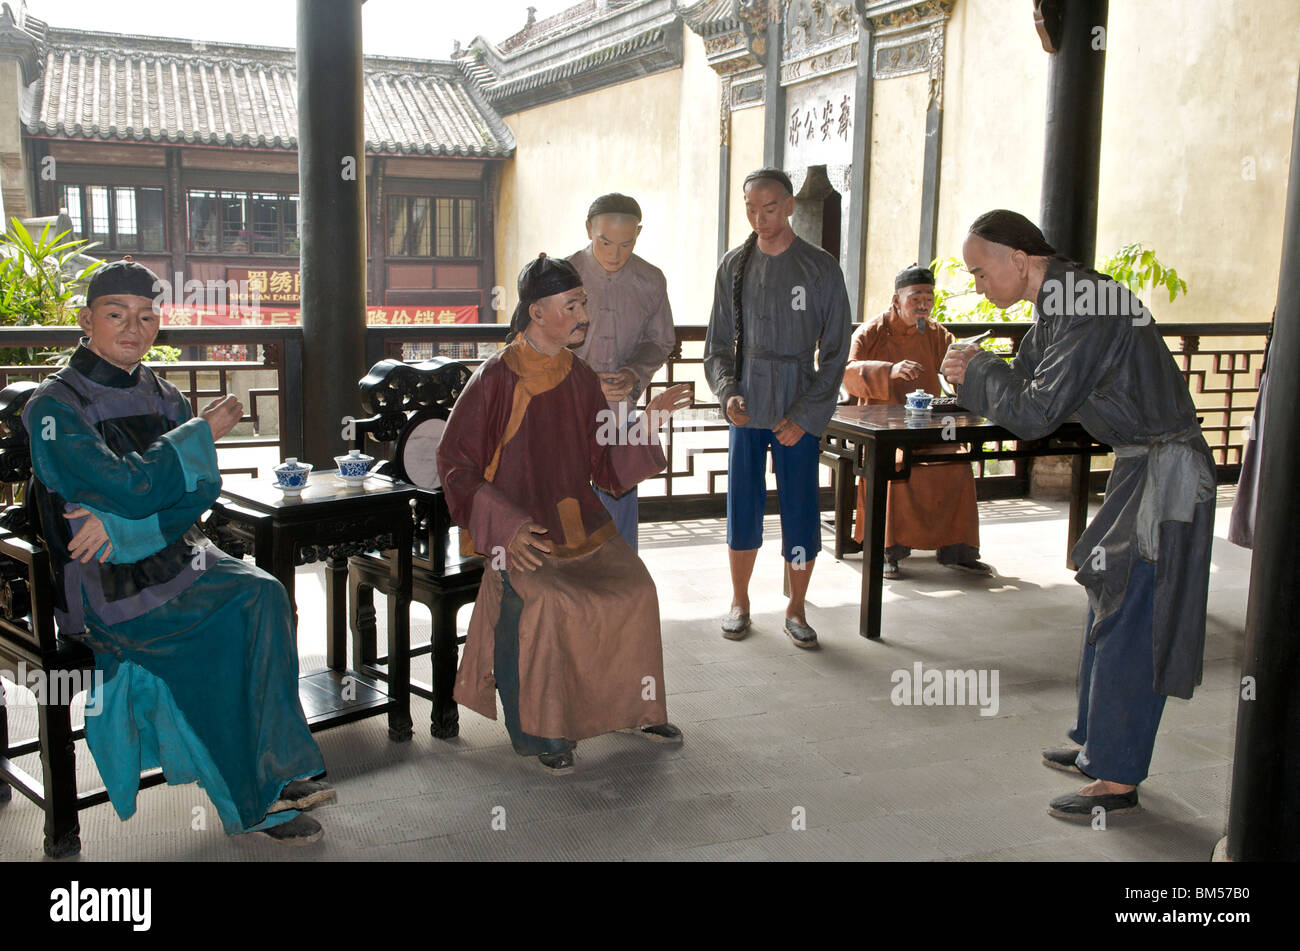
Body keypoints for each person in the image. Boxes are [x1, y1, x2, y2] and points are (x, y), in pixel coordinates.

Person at [22, 259, 333, 844]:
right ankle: (253, 797)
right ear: (87, 321)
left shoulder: (160, 393)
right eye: (116, 315)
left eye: (146, 317)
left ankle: (280, 764)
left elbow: (200, 493)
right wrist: (196, 437)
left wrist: (128, 526)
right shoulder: (54, 407)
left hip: (172, 556)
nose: (132, 329)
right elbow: (130, 486)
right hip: (103, 585)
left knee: (264, 594)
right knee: (217, 633)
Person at [941, 211, 1215, 820]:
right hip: (1141, 464)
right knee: (1105, 594)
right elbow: (1030, 381)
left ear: (1018, 257)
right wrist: (976, 370)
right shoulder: (1062, 303)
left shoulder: (1088, 304)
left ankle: (1117, 776)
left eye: (980, 272)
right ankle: (1097, 743)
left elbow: (1035, 413)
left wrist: (977, 372)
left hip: (1166, 473)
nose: (979, 287)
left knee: (1132, 611)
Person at [437, 254, 693, 774]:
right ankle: (542, 729)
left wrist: (650, 420)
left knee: (635, 590)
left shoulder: (578, 376)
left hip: (579, 524)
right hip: (521, 532)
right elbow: (456, 467)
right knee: (551, 601)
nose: (583, 315)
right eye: (572, 305)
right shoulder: (495, 378)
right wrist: (506, 527)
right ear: (536, 312)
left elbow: (605, 466)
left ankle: (634, 708)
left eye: (583, 304)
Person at [703, 167, 851, 649]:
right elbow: (717, 344)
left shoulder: (820, 267)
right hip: (748, 404)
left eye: (769, 208)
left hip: (796, 401)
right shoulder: (733, 264)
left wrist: (806, 416)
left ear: (788, 205)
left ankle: (796, 606)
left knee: (801, 506)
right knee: (741, 504)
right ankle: (739, 601)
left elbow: (835, 351)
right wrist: (728, 392)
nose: (759, 218)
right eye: (750, 208)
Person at [843, 265, 990, 579]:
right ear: (897, 299)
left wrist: (969, 361)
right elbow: (845, 371)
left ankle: (957, 549)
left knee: (957, 463)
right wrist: (889, 371)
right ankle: (887, 550)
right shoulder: (871, 332)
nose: (923, 303)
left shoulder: (936, 333)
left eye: (928, 296)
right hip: (881, 430)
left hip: (926, 428)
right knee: (896, 468)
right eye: (915, 297)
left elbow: (955, 363)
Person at [568, 192, 676, 551]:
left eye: (626, 243)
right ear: (588, 230)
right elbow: (532, 343)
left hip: (619, 409)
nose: (615, 254)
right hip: (563, 405)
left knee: (618, 499)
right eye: (605, 242)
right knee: (563, 501)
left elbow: (660, 341)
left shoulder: (650, 280)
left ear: (639, 234)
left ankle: (620, 590)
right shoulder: (562, 276)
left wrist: (634, 374)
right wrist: (585, 380)